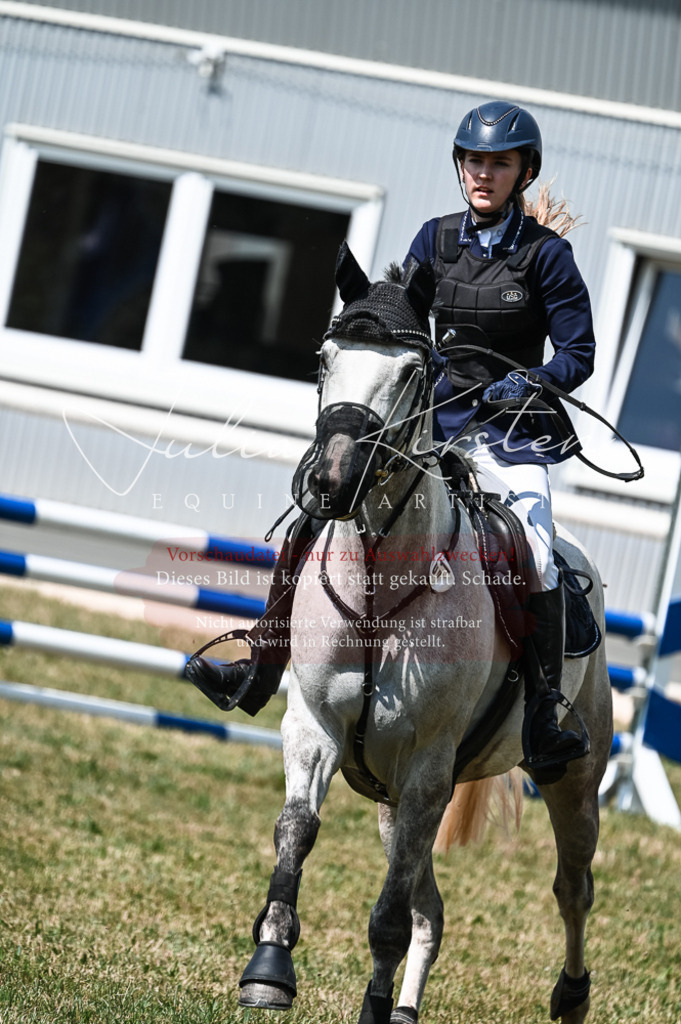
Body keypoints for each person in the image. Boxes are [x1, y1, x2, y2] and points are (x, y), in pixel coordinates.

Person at [404, 99, 595, 777]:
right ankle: (266, 657)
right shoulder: (432, 239)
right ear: (460, 167)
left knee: (539, 556)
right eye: (473, 161)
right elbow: (403, 321)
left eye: (498, 164)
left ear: (523, 171)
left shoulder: (548, 257)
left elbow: (577, 354)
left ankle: (542, 712)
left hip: (510, 438)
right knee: (337, 505)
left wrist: (533, 382)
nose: (482, 174)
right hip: (431, 429)